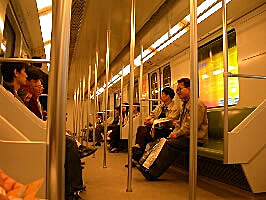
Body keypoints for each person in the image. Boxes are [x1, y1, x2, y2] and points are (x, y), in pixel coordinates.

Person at [133, 78, 208, 180]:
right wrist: (174, 133)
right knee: (163, 140)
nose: (178, 92)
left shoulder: (196, 104)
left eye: (180, 89)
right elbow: (180, 124)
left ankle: (152, 172)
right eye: (177, 90)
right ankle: (144, 164)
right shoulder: (186, 104)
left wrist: (176, 134)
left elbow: (191, 126)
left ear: (189, 88)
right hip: (186, 136)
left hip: (195, 138)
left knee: (168, 143)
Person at [132, 87, 180, 161]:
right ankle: (138, 153)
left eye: (163, 94)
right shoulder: (160, 106)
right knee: (141, 129)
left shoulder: (175, 107)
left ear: (168, 96)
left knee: (143, 134)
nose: (161, 96)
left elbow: (170, 120)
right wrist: (148, 119)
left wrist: (154, 121)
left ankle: (137, 154)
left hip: (166, 129)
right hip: (155, 128)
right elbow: (152, 114)